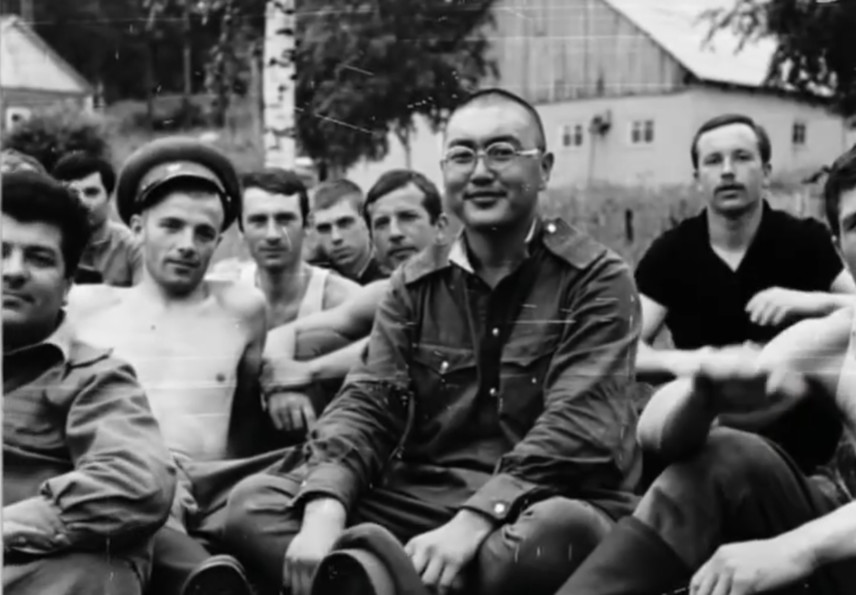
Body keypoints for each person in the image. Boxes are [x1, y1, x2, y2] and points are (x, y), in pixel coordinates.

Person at [222, 88, 642, 595]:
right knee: (254, 505)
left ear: (545, 169)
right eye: (462, 155)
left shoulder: (596, 279)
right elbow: (368, 402)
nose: (480, 172)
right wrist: (324, 512)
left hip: (542, 501)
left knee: (552, 536)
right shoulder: (415, 283)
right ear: (445, 171)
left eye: (502, 152)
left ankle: (376, 575)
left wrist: (474, 522)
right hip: (424, 497)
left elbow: (577, 430)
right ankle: (398, 574)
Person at [556, 131, 856, 595]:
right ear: (840, 247)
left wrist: (796, 548)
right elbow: (653, 430)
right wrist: (703, 394)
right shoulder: (838, 341)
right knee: (726, 457)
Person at [68, 137, 281, 595]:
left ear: (219, 241)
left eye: (204, 233)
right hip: (125, 483)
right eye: (171, 226)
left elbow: (245, 416)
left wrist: (286, 383)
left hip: (216, 491)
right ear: (138, 227)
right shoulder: (87, 309)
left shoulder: (243, 308)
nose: (188, 245)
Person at [634, 113, 856, 475]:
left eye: (741, 157)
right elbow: (620, 348)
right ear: (697, 179)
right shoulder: (672, 253)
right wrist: (692, 363)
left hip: (797, 449)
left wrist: (813, 302)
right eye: (713, 160)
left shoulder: (804, 241)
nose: (727, 171)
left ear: (766, 172)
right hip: (701, 432)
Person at [3, 170, 175, 595]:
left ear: (67, 287)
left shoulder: (95, 378)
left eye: (39, 258)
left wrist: (8, 528)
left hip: (37, 571)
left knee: (95, 571)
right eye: (0, 252)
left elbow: (138, 482)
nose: (13, 272)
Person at [261, 168, 450, 396]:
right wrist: (282, 388)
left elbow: (396, 343)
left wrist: (309, 370)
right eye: (382, 223)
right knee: (312, 341)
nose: (394, 233)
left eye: (408, 217)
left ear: (440, 227)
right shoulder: (386, 291)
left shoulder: (462, 285)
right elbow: (283, 333)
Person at [211, 168, 362, 438]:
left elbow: (393, 342)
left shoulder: (338, 295)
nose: (273, 234)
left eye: (284, 219)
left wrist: (306, 374)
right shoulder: (223, 292)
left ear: (307, 226)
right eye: (258, 221)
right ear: (242, 230)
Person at [52, 152, 144, 287]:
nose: (82, 202)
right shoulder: (49, 243)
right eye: (72, 193)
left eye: (91, 193)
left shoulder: (132, 247)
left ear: (109, 197)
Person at [307, 178, 387, 284]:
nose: (336, 238)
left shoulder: (393, 274)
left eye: (344, 223)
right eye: (324, 228)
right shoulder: (312, 280)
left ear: (366, 221)